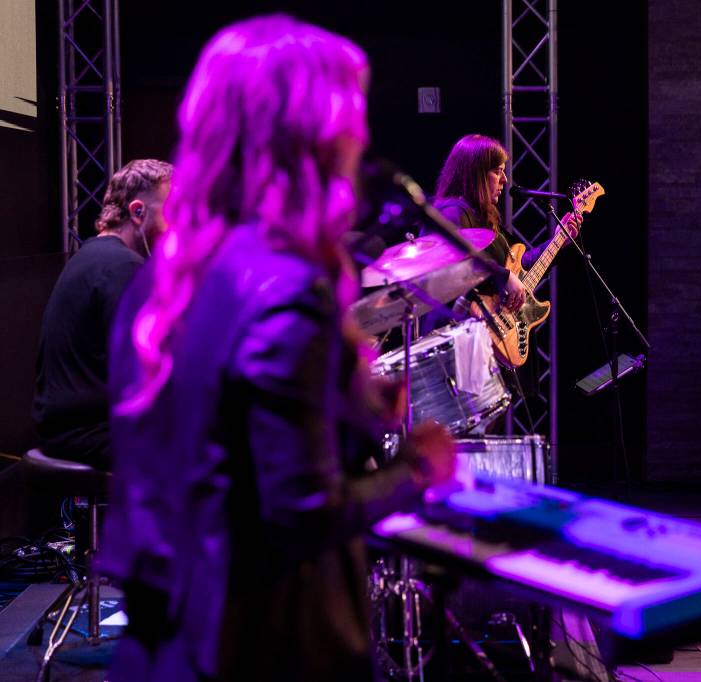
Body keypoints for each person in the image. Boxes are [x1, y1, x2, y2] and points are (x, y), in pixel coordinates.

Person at [100, 15, 455, 681]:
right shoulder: (290, 289)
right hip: (265, 648)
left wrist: (342, 408)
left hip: (164, 645)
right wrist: (415, 469)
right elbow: (301, 513)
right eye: (354, 113)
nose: (363, 137)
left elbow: (212, 450)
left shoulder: (162, 280)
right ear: (317, 137)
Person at [32, 158, 172, 469]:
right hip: (90, 435)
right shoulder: (123, 268)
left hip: (67, 429)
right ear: (138, 212)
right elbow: (144, 367)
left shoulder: (90, 256)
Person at [425, 133, 579, 326]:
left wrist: (557, 241)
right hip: (458, 333)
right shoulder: (453, 212)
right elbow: (457, 263)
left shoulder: (486, 217)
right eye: (498, 171)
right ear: (476, 174)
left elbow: (520, 266)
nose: (505, 180)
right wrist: (504, 276)